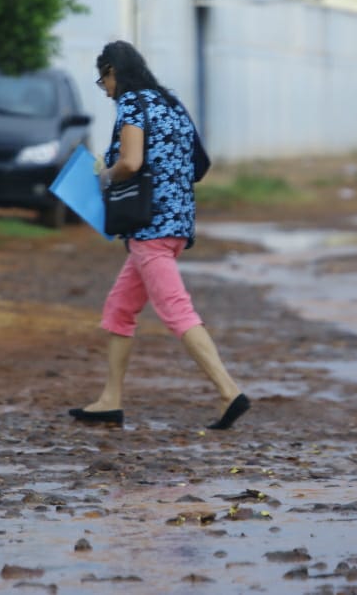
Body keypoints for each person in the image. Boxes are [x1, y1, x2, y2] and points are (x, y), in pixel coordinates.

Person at [68, 40, 250, 430]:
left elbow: (131, 163)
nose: (107, 91)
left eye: (104, 82)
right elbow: (199, 164)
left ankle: (227, 391)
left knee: (176, 311)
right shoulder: (171, 105)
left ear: (113, 71)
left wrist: (104, 173)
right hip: (176, 224)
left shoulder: (134, 105)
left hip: (150, 227)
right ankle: (109, 399)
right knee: (119, 309)